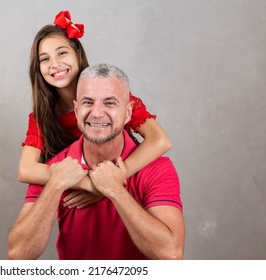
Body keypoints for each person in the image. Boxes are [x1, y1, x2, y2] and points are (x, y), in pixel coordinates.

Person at [8, 63, 185, 260]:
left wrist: (113, 189)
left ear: (128, 113)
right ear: (76, 111)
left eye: (110, 103)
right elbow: (18, 256)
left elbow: (171, 254)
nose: (97, 113)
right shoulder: (55, 169)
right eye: (88, 102)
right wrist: (56, 184)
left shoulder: (157, 169)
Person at [18, 11, 171, 208]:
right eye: (44, 59)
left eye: (62, 53)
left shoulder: (112, 93)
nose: (55, 64)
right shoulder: (42, 116)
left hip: (127, 186)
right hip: (82, 201)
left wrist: (111, 182)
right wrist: (89, 184)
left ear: (77, 54)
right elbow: (26, 170)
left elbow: (160, 140)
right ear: (38, 68)